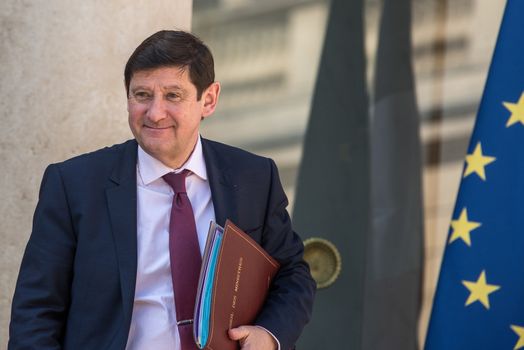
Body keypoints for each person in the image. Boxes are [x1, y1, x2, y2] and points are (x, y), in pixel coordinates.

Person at [8, 30, 315, 350]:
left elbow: (292, 274)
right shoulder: (73, 185)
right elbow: (36, 311)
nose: (155, 113)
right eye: (142, 95)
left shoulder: (253, 177)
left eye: (173, 96)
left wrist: (269, 334)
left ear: (208, 99)